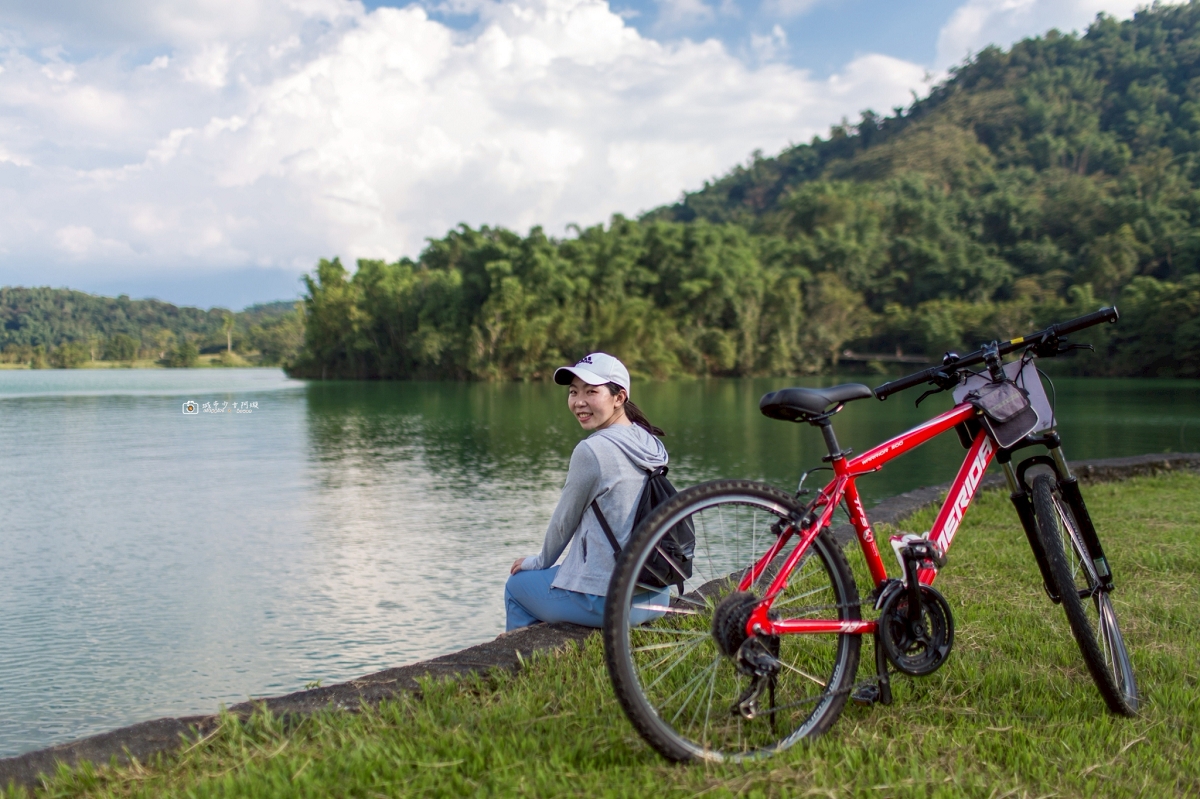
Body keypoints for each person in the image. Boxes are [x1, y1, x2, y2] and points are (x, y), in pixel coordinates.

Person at [504, 352, 672, 631]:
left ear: (619, 397)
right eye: (573, 392)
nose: (579, 401)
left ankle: (527, 656)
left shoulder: (592, 450)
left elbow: (563, 523)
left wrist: (538, 562)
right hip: (656, 593)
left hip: (609, 600)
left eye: (591, 392)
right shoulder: (649, 441)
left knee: (517, 586)